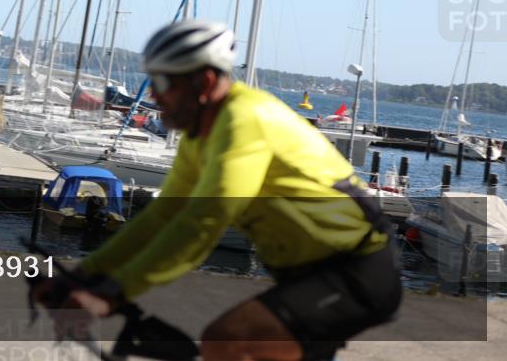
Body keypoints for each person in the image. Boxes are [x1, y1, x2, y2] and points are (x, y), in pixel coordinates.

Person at [34, 20, 401, 361]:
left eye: (162, 84)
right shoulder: (199, 135)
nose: (154, 96)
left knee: (226, 339)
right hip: (304, 276)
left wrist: (113, 292)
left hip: (356, 271)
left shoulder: (245, 120)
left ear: (205, 83)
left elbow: (201, 222)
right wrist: (85, 275)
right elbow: (164, 216)